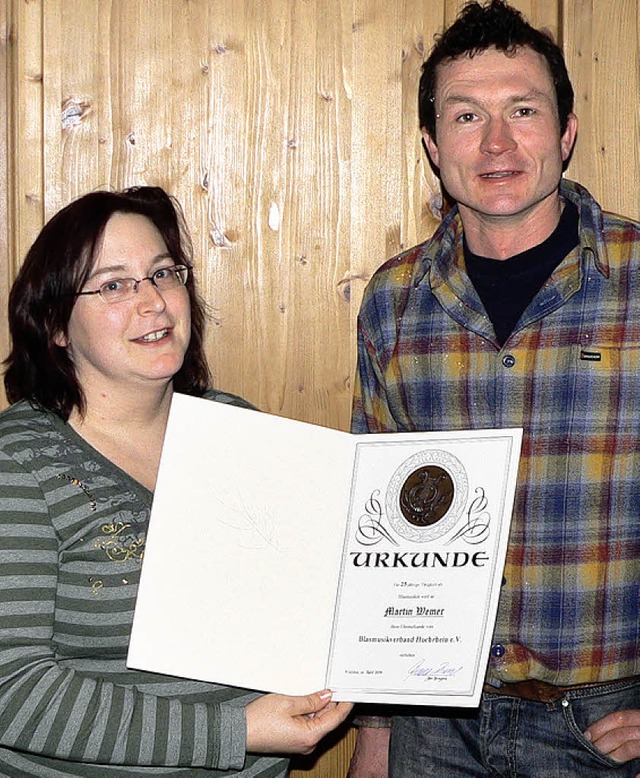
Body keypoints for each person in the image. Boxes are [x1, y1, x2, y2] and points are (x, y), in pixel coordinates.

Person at [349, 1, 640, 776]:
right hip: (431, 719)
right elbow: (370, 523)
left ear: (566, 130)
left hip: (605, 726)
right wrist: (374, 735)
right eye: (467, 115)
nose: (498, 142)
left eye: (523, 110)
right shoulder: (393, 298)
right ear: (432, 145)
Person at [0, 185, 352, 776]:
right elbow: (11, 689)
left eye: (163, 274)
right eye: (113, 285)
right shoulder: (19, 461)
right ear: (54, 324)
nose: (154, 303)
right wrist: (235, 733)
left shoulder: (240, 428)